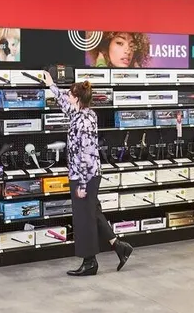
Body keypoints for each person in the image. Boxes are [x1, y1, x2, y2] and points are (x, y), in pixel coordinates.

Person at [43, 72, 132, 276]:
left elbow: (86, 154)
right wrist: (51, 85)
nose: (66, 95)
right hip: (89, 174)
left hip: (85, 176)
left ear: (76, 97)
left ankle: (90, 262)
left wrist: (82, 184)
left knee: (84, 219)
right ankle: (119, 246)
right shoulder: (84, 114)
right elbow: (64, 105)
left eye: (69, 93)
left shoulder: (83, 122)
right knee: (93, 212)